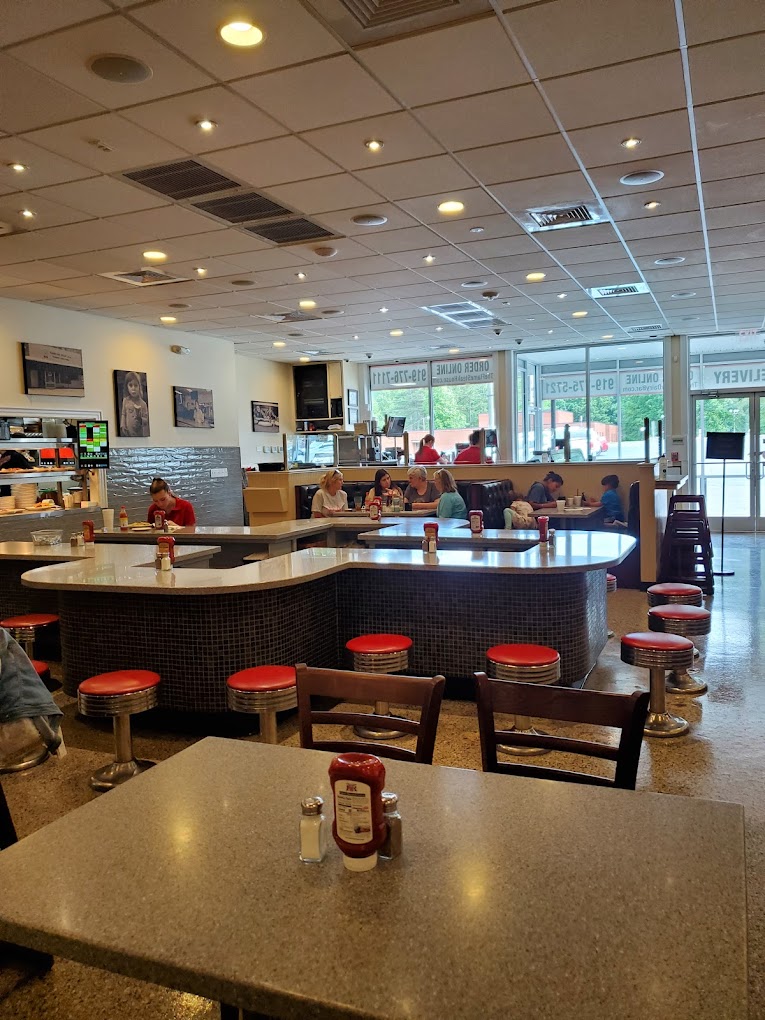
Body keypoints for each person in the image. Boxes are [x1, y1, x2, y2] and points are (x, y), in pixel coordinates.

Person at [119, 372, 149, 438]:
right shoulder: (125, 400)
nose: (133, 388)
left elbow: (146, 420)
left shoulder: (143, 404)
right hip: (127, 433)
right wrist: (122, 424)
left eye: (135, 385)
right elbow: (123, 414)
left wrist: (141, 419)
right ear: (127, 387)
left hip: (138, 433)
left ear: (139, 387)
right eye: (130, 385)